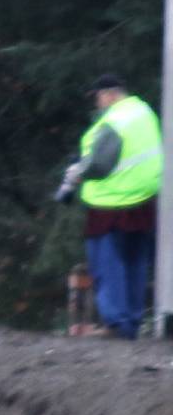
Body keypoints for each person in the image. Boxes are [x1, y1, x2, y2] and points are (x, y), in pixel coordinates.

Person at [56, 73, 161, 339]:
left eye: (99, 98)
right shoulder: (144, 113)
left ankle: (117, 323)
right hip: (144, 199)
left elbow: (98, 164)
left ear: (109, 94)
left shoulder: (114, 121)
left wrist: (76, 173)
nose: (98, 105)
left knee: (108, 265)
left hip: (111, 203)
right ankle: (133, 321)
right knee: (135, 263)